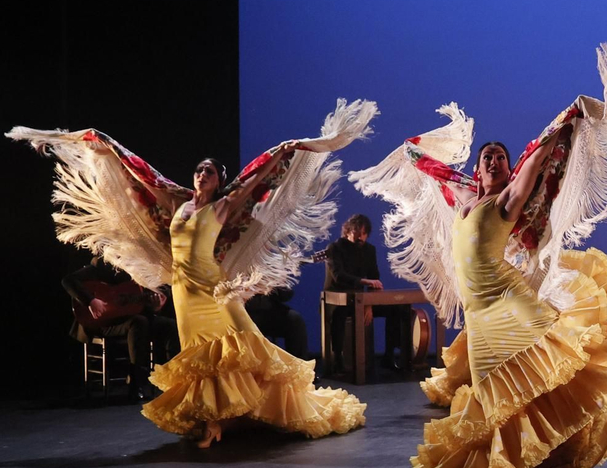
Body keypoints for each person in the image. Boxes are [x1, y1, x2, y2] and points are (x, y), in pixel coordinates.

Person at [349, 47, 607, 468]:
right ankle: (519, 461)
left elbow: (536, 160)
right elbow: (434, 171)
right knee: (497, 394)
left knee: (543, 370)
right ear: (477, 170)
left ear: (508, 171)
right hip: (480, 314)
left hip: (508, 301)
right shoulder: (464, 201)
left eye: (500, 158)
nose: (493, 161)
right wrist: (415, 154)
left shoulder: (507, 202)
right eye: (487, 157)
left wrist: (569, 118)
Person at [12, 100, 376, 447]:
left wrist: (287, 149)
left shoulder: (223, 207)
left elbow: (257, 180)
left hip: (213, 289)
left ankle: (252, 411)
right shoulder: (178, 202)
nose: (203, 174)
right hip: (185, 291)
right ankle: (215, 421)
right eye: (200, 169)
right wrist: (104, 147)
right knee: (201, 358)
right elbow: (142, 177)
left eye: (210, 171)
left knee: (242, 347)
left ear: (219, 181)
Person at [62, 260, 179, 399]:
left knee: (171, 326)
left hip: (137, 317)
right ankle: (136, 382)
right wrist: (91, 301)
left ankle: (175, 380)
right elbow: (68, 281)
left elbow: (150, 298)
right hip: (105, 322)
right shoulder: (105, 263)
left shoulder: (146, 264)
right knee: (139, 322)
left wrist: (157, 306)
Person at [323, 213, 412, 372]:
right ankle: (338, 360)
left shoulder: (369, 250)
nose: (360, 237)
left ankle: (389, 356)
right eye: (357, 231)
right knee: (340, 313)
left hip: (360, 300)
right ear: (348, 231)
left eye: (364, 233)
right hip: (337, 299)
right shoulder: (334, 248)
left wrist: (369, 304)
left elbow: (374, 278)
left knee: (396, 309)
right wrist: (364, 282)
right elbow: (339, 277)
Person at [245, 286, 310, 360]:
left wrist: (275, 286)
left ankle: (299, 365)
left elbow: (287, 295)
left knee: (294, 320)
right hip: (242, 310)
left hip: (267, 312)